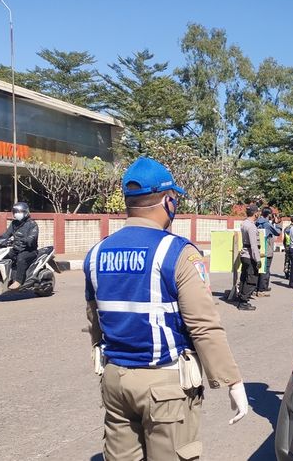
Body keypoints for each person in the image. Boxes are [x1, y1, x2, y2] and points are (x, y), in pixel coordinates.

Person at [83, 156, 248, 461]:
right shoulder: (177, 252)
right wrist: (232, 382)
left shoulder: (96, 253)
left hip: (115, 380)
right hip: (164, 386)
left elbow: (96, 320)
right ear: (167, 200)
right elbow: (203, 325)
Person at [0, 202, 39, 289]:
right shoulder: (14, 224)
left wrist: (25, 240)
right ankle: (4, 278)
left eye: (19, 212)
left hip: (29, 250)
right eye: (15, 212)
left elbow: (32, 238)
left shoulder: (32, 224)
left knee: (21, 258)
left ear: (26, 212)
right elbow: (6, 235)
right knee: (3, 257)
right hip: (16, 248)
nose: (16, 214)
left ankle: (18, 281)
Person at [238, 205, 261, 310]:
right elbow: (254, 245)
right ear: (255, 213)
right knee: (251, 278)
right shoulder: (251, 226)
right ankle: (244, 302)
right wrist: (258, 259)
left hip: (244, 254)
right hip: (250, 254)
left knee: (244, 277)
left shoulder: (244, 223)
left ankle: (241, 297)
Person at [256, 207, 282, 296]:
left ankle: (258, 286)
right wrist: (278, 224)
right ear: (269, 214)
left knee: (259, 268)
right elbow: (277, 232)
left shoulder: (257, 222)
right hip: (267, 249)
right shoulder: (267, 224)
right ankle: (262, 289)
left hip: (259, 248)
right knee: (265, 269)